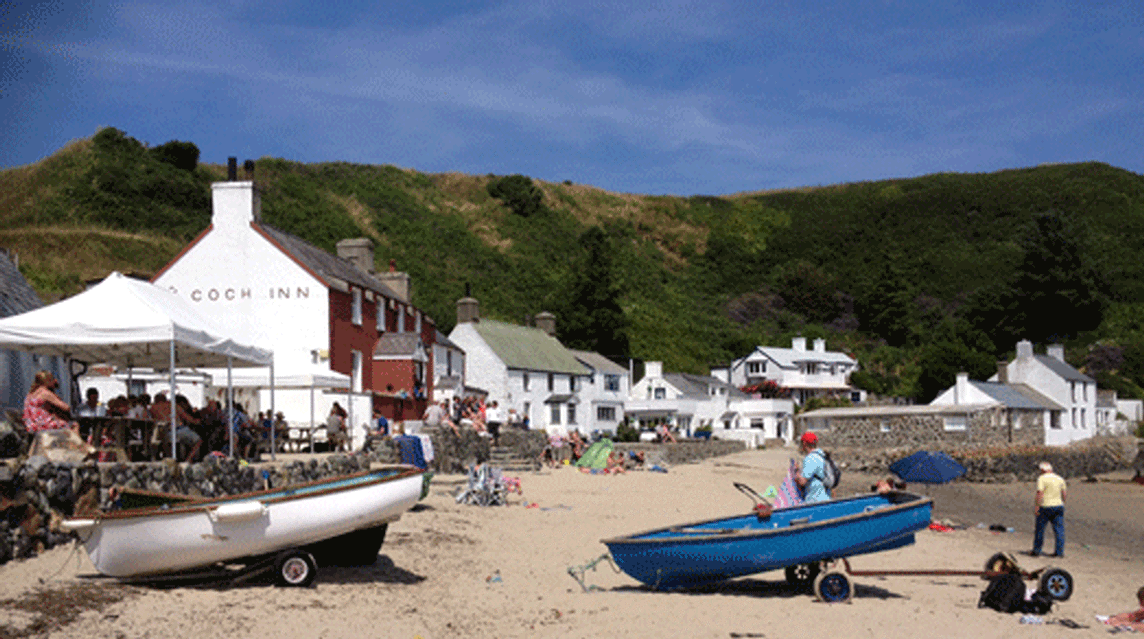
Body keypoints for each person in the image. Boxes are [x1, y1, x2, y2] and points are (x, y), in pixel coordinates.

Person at [1031, 461, 1067, 558]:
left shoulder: (1042, 479)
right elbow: (1064, 493)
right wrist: (1062, 502)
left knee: (1040, 529)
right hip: (1058, 506)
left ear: (1042, 470)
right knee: (1059, 530)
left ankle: (1037, 550)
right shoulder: (1060, 478)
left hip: (1045, 506)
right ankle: (1059, 552)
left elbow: (1040, 493)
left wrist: (1037, 506)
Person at [793, 431, 831, 503]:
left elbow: (802, 482)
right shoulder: (822, 454)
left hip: (814, 500)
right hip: (826, 498)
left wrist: (796, 471)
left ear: (804, 443)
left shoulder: (811, 458)